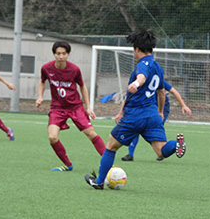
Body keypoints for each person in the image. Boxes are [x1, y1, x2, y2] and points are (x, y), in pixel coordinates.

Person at [85, 30, 186, 190]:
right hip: (152, 115)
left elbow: (142, 77)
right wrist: (160, 112)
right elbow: (161, 92)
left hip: (135, 115)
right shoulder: (158, 67)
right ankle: (176, 144)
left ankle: (99, 181)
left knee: (111, 146)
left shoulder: (142, 65)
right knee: (160, 151)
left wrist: (136, 84)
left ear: (137, 49)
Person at [36, 41, 106, 172]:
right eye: (58, 54)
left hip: (75, 107)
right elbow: (42, 81)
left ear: (68, 54)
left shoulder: (74, 69)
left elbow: (82, 86)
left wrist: (88, 107)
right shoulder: (46, 68)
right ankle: (67, 165)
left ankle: (108, 163)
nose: (61, 56)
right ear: (54, 54)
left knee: (91, 134)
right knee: (52, 137)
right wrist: (40, 97)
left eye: (64, 53)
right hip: (57, 108)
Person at [121, 79, 192, 162]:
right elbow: (129, 97)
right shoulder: (138, 82)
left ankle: (173, 145)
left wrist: (183, 105)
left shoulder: (156, 78)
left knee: (153, 133)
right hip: (148, 109)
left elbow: (173, 91)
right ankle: (131, 154)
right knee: (139, 129)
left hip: (160, 109)